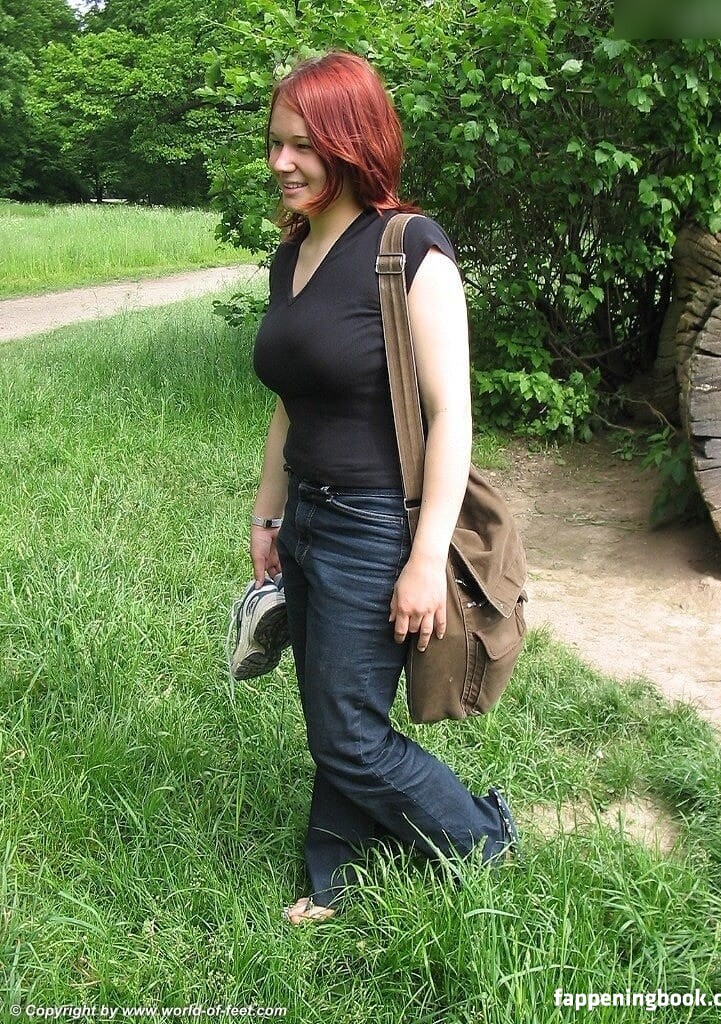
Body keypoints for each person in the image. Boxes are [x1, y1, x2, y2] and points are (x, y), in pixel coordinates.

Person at [249, 51, 518, 924]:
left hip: (374, 526)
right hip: (307, 515)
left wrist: (424, 557)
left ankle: (484, 839)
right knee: (337, 711)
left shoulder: (410, 249)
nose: (282, 162)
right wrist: (267, 513)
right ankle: (336, 871)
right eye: (276, 142)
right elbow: (290, 401)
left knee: (350, 734)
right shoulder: (293, 252)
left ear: (352, 143)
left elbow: (452, 416)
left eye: (304, 145)